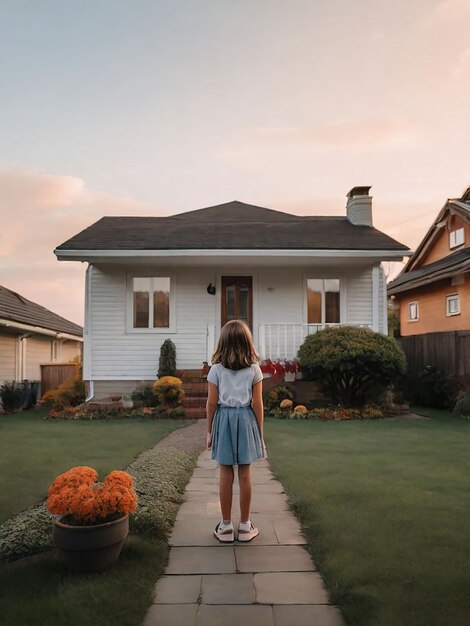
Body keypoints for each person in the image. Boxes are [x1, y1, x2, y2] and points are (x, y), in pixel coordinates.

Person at [206, 319, 265, 543]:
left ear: (223, 343)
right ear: (247, 343)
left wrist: (209, 431)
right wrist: (260, 432)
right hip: (246, 419)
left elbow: (211, 403)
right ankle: (245, 526)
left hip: (223, 419)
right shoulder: (254, 370)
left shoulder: (216, 370)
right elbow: (258, 404)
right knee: (245, 474)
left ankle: (226, 526)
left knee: (225, 474)